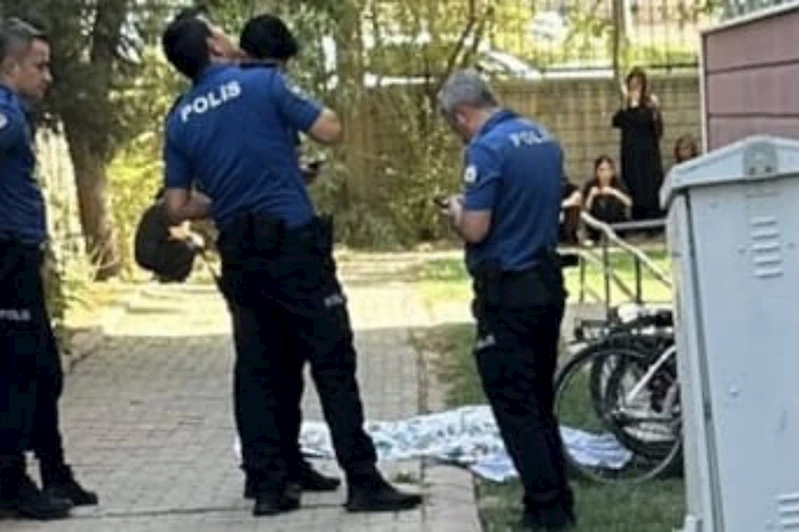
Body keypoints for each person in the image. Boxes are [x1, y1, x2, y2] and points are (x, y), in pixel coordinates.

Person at [159, 7, 422, 517]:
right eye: (219, 32)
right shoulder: (263, 83)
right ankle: (362, 479)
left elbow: (176, 206)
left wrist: (231, 197)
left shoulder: (181, 117)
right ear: (213, 47)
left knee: (259, 367)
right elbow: (330, 129)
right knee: (332, 359)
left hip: (240, 252)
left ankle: (269, 486)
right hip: (294, 247)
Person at [436, 70, 575, 531]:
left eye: (454, 126)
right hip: (547, 279)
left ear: (462, 115)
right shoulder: (542, 137)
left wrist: (456, 209)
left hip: (508, 290)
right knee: (539, 398)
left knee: (516, 405)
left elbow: (477, 228)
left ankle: (546, 507)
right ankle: (557, 500)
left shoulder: (487, 149)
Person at [235, 12, 340, 498]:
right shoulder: (268, 86)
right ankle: (272, 473)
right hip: (282, 244)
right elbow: (329, 128)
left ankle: (281, 466)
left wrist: (293, 175)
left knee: (276, 361)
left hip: (245, 243)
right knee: (289, 358)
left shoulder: (205, 105)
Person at [0, 18, 97, 521]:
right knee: (17, 370)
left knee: (42, 368)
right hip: (5, 259)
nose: (48, 76)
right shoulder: (3, 114)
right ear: (9, 66)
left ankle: (55, 470)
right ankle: (10, 481)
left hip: (21, 255)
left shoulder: (15, 112)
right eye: (39, 66)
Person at [612, 67, 664, 225]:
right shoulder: (626, 106)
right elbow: (616, 121)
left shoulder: (649, 104)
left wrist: (638, 106)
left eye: (637, 85)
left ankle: (652, 220)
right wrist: (626, 105)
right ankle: (637, 218)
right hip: (631, 153)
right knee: (633, 183)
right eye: (631, 85)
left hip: (647, 153)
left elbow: (646, 122)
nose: (634, 89)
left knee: (649, 184)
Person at [582, 155, 632, 242]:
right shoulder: (590, 185)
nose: (605, 173)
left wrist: (614, 192)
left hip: (616, 222)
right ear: (597, 172)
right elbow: (585, 210)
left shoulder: (618, 183)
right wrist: (591, 196)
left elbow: (629, 203)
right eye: (601, 170)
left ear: (612, 171)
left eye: (608, 169)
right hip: (597, 224)